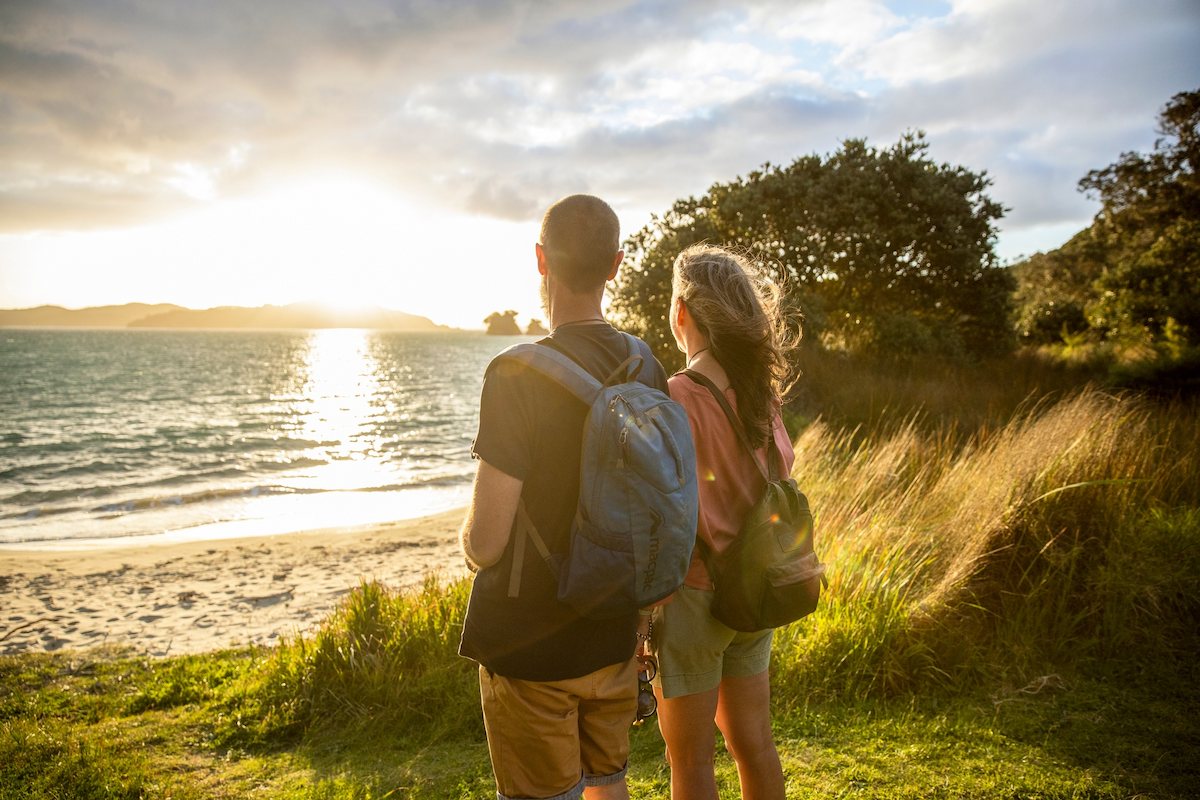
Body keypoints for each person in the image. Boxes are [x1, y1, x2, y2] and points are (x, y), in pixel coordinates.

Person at [459, 194, 671, 800]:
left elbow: (487, 542)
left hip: (532, 642)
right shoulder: (644, 365)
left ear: (540, 259)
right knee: (609, 785)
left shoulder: (514, 373)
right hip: (613, 634)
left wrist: (468, 543)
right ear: (616, 265)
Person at [646, 243, 799, 800]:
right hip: (754, 588)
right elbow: (782, 469)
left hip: (694, 596)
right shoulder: (762, 392)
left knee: (689, 759)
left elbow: (661, 511)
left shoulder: (674, 397)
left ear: (682, 311)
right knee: (754, 742)